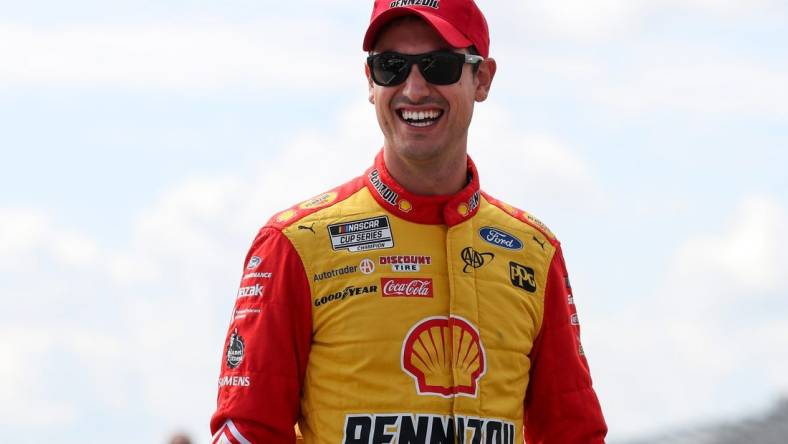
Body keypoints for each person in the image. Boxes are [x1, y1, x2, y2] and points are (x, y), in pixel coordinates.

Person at [210, 1, 607, 443]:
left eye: (439, 66)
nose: (414, 89)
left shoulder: (534, 251)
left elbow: (575, 434)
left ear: (483, 78)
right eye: (391, 66)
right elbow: (246, 431)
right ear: (369, 81)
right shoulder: (295, 244)